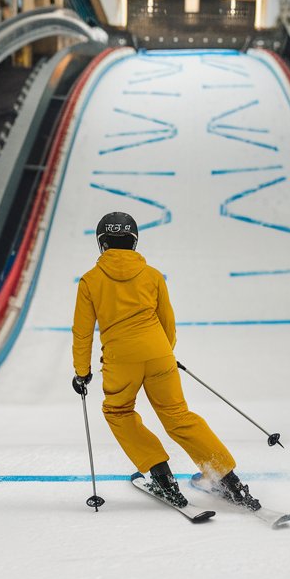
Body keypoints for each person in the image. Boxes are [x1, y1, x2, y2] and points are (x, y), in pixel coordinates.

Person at [71, 211, 260, 510]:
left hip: (121, 360)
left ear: (102, 243)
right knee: (178, 416)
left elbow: (82, 333)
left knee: (118, 411)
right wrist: (165, 353)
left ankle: (163, 478)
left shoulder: (90, 281)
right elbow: (167, 323)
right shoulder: (152, 276)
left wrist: (82, 373)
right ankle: (229, 481)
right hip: (159, 354)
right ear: (134, 242)